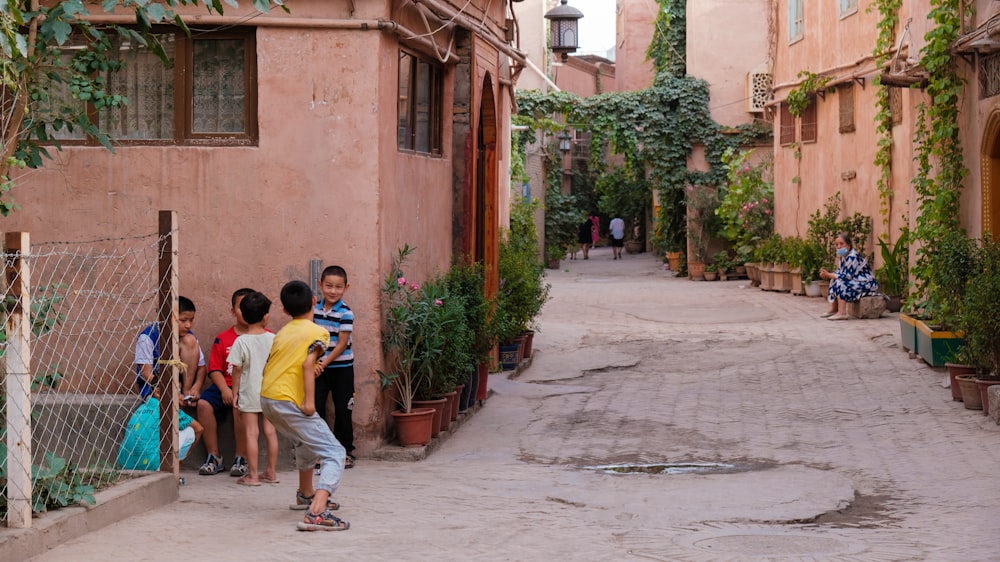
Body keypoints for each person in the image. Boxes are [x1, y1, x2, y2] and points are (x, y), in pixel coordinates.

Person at [261, 280, 349, 531]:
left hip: (268, 398)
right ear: (314, 301)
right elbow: (307, 364)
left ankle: (305, 493)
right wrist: (309, 403)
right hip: (289, 401)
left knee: (305, 441)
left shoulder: (282, 332)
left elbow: (283, 364)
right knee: (335, 453)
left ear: (286, 311)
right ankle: (317, 512)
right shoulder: (318, 333)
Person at [197, 288, 254, 477]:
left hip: (249, 387)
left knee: (239, 406)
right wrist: (224, 390)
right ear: (232, 311)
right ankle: (214, 457)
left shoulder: (264, 336)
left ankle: (241, 457)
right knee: (204, 405)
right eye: (241, 307)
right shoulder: (222, 339)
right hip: (226, 385)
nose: (245, 311)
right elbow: (214, 370)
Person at [228, 291, 280, 486]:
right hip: (271, 391)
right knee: (270, 432)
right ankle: (271, 472)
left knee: (251, 432)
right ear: (266, 316)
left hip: (249, 391)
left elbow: (237, 369)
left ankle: (253, 475)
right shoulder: (273, 338)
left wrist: (235, 392)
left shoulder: (241, 341)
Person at [313, 266, 357, 469]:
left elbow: (341, 344)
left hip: (342, 368)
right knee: (316, 409)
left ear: (346, 288)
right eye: (329, 286)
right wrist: (313, 364)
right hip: (317, 369)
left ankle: (345, 451)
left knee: (343, 409)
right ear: (320, 285)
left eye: (338, 287)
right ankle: (321, 452)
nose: (333, 291)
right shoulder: (313, 311)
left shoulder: (346, 313)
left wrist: (323, 363)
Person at [134, 295, 206, 404]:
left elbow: (201, 368)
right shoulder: (148, 337)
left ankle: (186, 393)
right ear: (167, 317)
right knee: (162, 402)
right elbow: (146, 373)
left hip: (180, 385)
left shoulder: (189, 336)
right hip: (156, 386)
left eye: (191, 320)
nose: (188, 325)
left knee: (190, 340)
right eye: (183, 320)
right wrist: (171, 391)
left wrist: (195, 388)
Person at [117, 387, 204, 471]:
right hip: (152, 466)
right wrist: (183, 457)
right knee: (190, 431)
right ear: (158, 392)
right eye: (176, 391)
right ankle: (171, 468)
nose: (180, 396)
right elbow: (199, 429)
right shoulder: (168, 408)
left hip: (126, 465)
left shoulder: (141, 408)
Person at [819, 232, 879, 321]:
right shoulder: (843, 257)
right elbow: (840, 272)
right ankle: (834, 309)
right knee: (834, 280)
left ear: (848, 246)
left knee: (840, 282)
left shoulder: (853, 257)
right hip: (856, 281)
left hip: (866, 283)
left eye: (841, 244)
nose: (839, 246)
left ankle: (842, 313)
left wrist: (829, 274)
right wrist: (828, 275)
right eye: (836, 244)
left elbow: (846, 276)